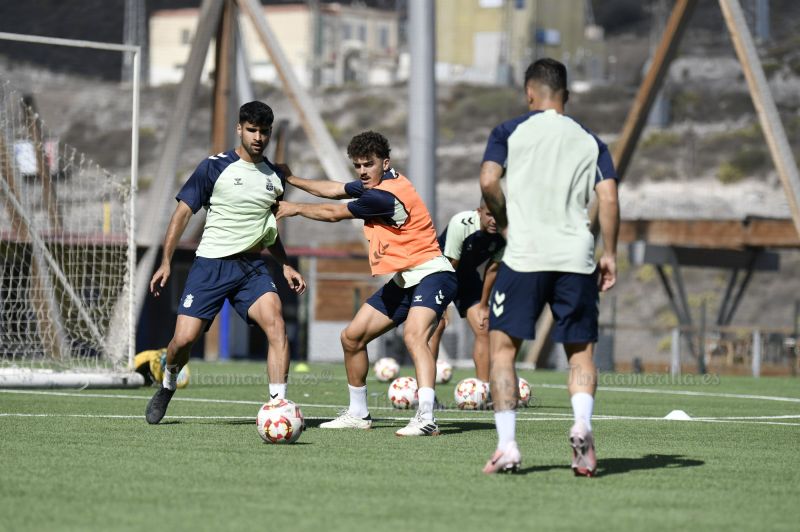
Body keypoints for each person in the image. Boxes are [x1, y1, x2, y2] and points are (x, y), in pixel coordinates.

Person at [479, 58, 619, 475]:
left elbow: (488, 180)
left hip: (524, 255)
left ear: (529, 93)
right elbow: (608, 198)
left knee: (503, 352)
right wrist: (609, 251)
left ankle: (507, 447)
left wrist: (504, 223)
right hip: (575, 257)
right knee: (580, 353)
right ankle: (581, 424)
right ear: (566, 96)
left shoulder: (509, 131)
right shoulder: (590, 140)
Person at [276, 130, 457, 436]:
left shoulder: (382, 196)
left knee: (414, 336)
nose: (362, 171)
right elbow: (335, 190)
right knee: (352, 338)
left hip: (432, 274)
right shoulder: (379, 182)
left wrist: (294, 209)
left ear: (385, 163)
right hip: (406, 280)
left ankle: (426, 417)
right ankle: (358, 413)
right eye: (358, 166)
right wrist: (294, 180)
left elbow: (335, 213)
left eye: (368, 165)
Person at [145, 101, 306, 425]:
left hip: (252, 269)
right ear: (239, 129)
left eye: (264, 131)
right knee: (183, 341)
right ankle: (168, 382)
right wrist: (165, 262)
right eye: (252, 130)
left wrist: (285, 264)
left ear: (270, 133)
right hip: (210, 266)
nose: (258, 137)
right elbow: (181, 214)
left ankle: (278, 406)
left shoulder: (275, 177)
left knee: (275, 324)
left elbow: (268, 230)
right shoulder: (213, 167)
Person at [428, 200, 505, 384]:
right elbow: (450, 264)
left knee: (483, 326)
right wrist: (443, 305)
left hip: (467, 277)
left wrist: (484, 305)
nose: (494, 220)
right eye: (489, 214)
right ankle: (427, 394)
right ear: (479, 212)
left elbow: (492, 269)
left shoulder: (506, 232)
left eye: (498, 215)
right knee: (436, 327)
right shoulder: (461, 223)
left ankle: (483, 391)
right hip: (438, 272)